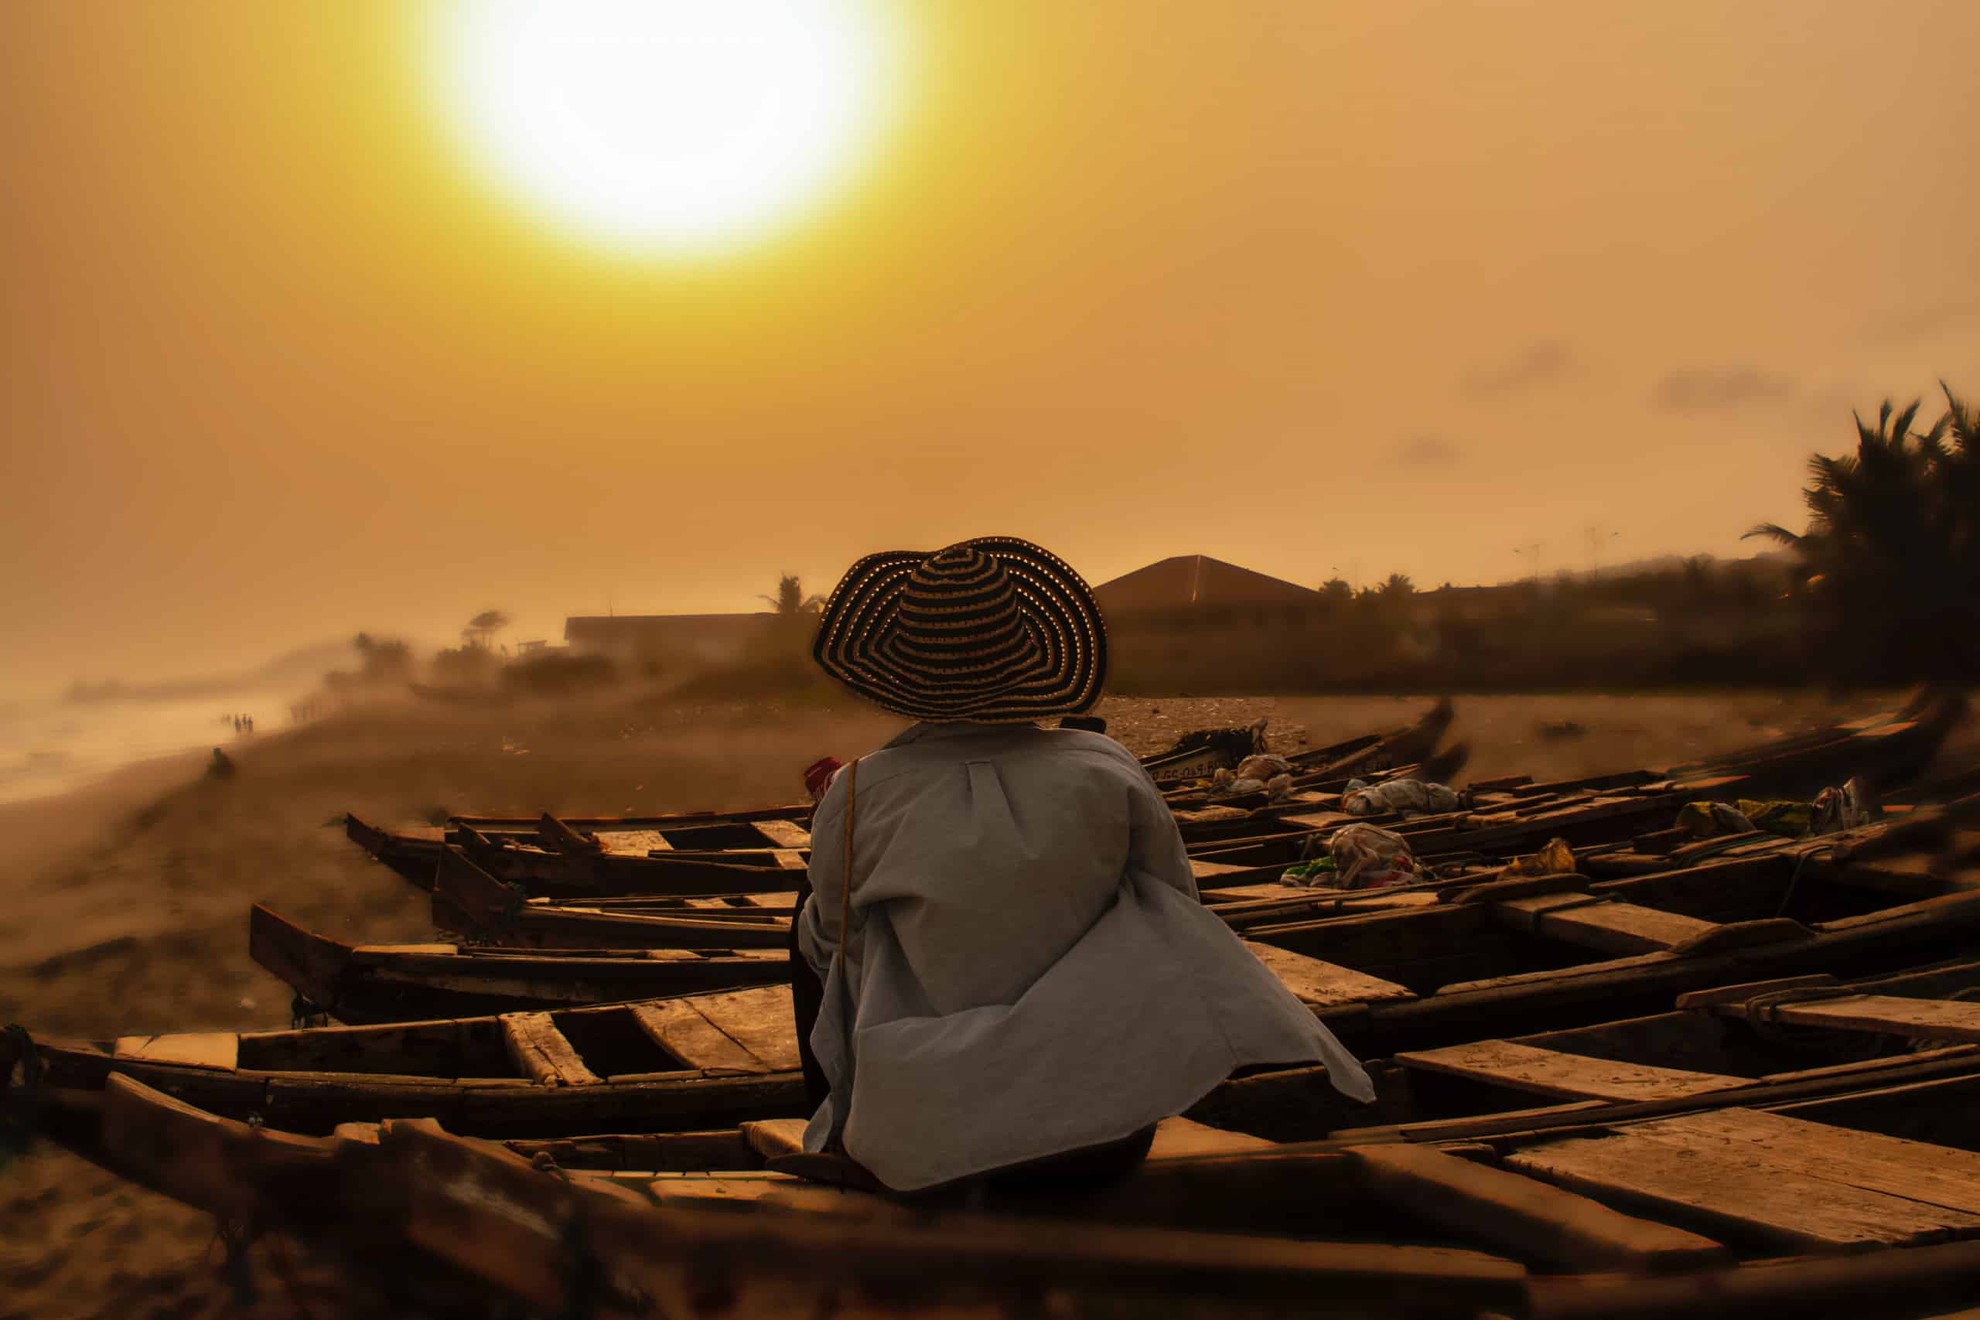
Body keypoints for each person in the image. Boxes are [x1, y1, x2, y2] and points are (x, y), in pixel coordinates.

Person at [795, 536, 1373, 1196]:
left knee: (811, 923)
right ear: (1027, 658)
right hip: (1103, 1137)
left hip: (922, 1143)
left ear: (905, 673)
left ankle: (840, 1130)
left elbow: (833, 937)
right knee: (1155, 912)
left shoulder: (860, 789)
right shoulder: (1107, 768)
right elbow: (1179, 909)